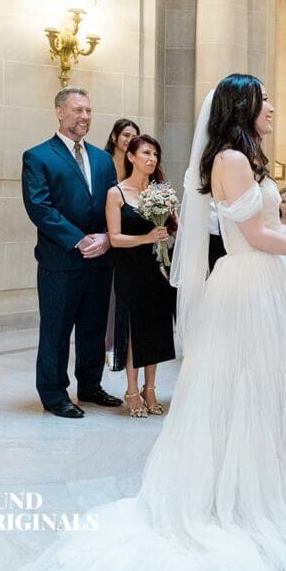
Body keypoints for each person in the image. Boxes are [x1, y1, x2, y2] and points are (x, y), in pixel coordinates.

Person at [7, 74, 286, 571]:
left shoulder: (245, 157)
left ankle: (267, 487)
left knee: (266, 390)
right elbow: (257, 235)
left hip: (264, 282)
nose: (273, 108)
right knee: (242, 392)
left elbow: (274, 226)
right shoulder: (230, 160)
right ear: (243, 106)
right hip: (246, 284)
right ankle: (236, 496)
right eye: (264, 100)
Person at [20, 87, 122, 418]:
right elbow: (40, 207)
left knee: (93, 329)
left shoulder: (103, 159)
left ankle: (91, 386)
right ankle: (53, 394)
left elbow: (113, 203)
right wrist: (79, 240)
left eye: (88, 111)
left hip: (100, 259)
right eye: (78, 110)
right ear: (60, 112)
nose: (85, 116)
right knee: (57, 331)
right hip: (61, 261)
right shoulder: (38, 156)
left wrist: (107, 237)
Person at [105, 134, 176, 418]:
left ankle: (151, 389)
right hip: (130, 269)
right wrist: (147, 238)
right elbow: (114, 238)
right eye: (146, 153)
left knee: (155, 329)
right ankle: (132, 390)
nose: (152, 158)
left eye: (155, 154)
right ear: (131, 156)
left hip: (157, 269)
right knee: (135, 330)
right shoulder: (117, 193)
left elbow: (174, 228)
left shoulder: (160, 192)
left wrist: (170, 230)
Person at [103, 118, 141, 367]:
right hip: (105, 233)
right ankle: (107, 345)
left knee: (121, 296)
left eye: (134, 136)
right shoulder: (103, 163)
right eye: (126, 135)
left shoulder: (135, 165)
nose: (129, 140)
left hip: (128, 238)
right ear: (114, 136)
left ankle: (119, 344)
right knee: (106, 296)